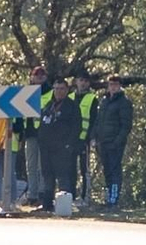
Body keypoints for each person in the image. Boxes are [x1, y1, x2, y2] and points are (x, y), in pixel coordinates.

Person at [37, 78, 81, 209]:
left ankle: (63, 206)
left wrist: (69, 144)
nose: (58, 92)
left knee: (63, 176)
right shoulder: (49, 105)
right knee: (47, 175)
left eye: (61, 89)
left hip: (62, 147)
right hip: (46, 147)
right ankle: (47, 204)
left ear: (67, 90)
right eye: (56, 89)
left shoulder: (72, 106)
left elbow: (76, 127)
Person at [95, 74, 134, 208]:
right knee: (107, 171)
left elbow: (126, 125)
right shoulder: (104, 101)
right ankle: (108, 198)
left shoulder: (124, 103)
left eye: (116, 85)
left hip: (115, 143)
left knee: (114, 170)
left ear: (120, 86)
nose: (113, 87)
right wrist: (95, 137)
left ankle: (114, 199)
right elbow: (98, 121)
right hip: (103, 142)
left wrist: (117, 142)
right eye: (111, 84)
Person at [73, 71, 100, 202]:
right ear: (76, 82)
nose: (83, 83)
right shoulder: (70, 97)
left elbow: (95, 120)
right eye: (81, 80)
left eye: (85, 81)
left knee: (85, 169)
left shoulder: (92, 99)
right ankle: (71, 195)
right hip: (70, 139)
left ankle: (85, 196)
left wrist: (92, 137)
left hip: (85, 139)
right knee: (70, 169)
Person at [22, 65, 46, 204]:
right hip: (30, 133)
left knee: (43, 166)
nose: (39, 77)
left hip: (45, 134)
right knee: (31, 165)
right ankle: (32, 194)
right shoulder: (26, 92)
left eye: (42, 75)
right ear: (31, 77)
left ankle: (43, 193)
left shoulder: (50, 92)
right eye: (37, 75)